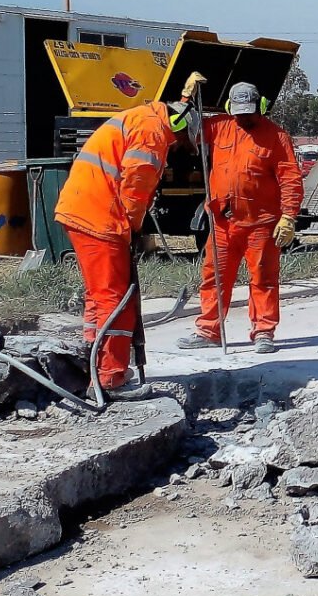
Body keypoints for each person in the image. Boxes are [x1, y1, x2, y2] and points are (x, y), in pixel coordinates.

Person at [55, 98, 197, 400]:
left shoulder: (142, 119)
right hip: (101, 217)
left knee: (99, 295)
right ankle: (110, 377)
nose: (178, 147)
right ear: (179, 125)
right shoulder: (152, 132)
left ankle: (92, 364)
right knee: (116, 300)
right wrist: (134, 227)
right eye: (183, 140)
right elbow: (136, 186)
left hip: (84, 210)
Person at [178, 82, 304, 354]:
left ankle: (263, 331)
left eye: (248, 112)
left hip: (261, 225)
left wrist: (288, 216)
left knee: (263, 279)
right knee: (214, 277)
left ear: (260, 106)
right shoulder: (218, 126)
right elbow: (179, 128)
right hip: (223, 223)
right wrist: (186, 98)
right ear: (229, 108)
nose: (243, 118)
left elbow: (291, 179)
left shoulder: (276, 137)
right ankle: (209, 330)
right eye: (238, 113)